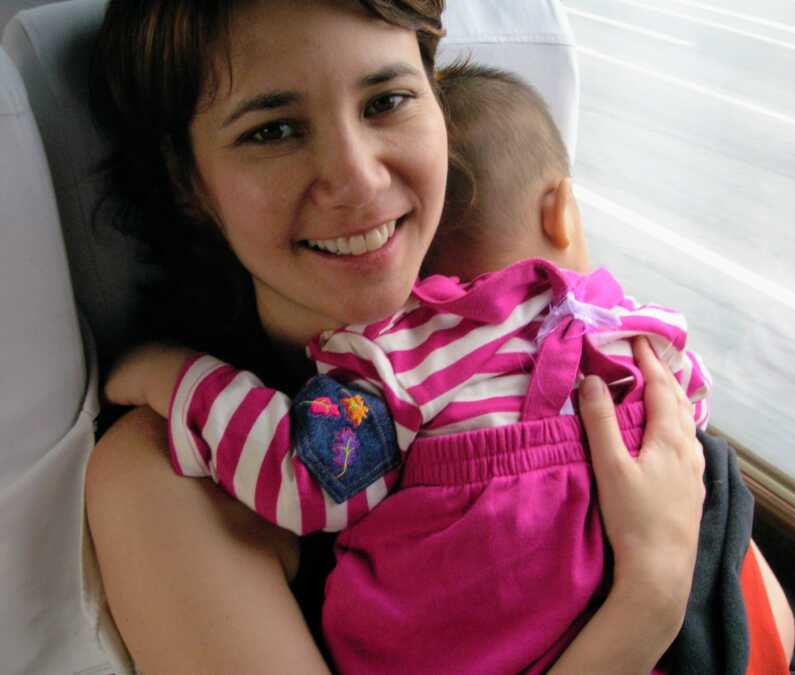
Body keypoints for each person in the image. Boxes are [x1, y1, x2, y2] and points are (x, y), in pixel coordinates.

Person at [86, 1, 712, 673]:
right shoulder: (166, 474)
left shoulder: (538, 331)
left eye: (386, 102)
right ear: (188, 182)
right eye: (275, 130)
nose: (358, 178)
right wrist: (649, 596)